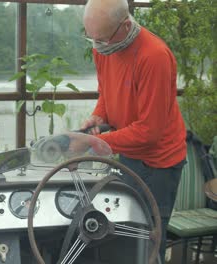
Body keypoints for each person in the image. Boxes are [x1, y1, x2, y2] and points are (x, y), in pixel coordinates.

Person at [81, 0, 187, 263]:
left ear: (125, 26)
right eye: (91, 38)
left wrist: (97, 142)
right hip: (129, 153)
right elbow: (107, 91)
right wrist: (99, 115)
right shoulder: (104, 47)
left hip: (158, 163)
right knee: (125, 237)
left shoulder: (154, 57)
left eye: (102, 39)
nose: (97, 46)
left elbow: (150, 132)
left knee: (148, 240)